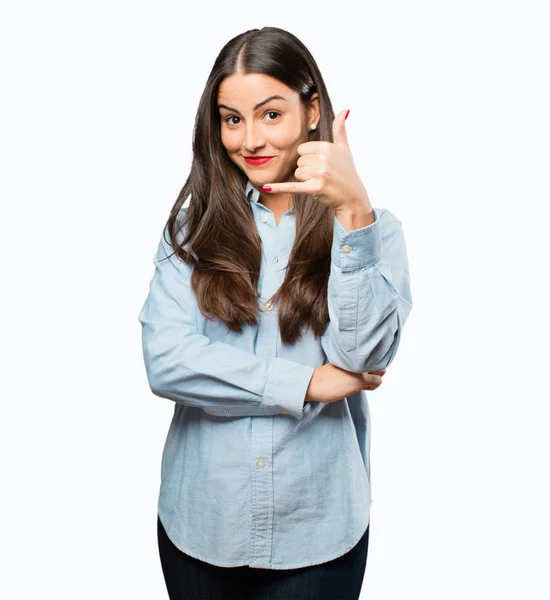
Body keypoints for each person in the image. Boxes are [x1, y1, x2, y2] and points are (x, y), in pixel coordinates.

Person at [138, 25, 413, 600]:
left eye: (270, 114)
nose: (248, 140)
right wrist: (309, 383)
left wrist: (352, 209)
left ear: (312, 111)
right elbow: (166, 361)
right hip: (202, 521)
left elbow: (362, 356)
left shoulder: (372, 232)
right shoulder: (193, 229)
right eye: (232, 118)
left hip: (316, 531)